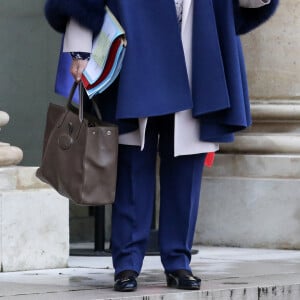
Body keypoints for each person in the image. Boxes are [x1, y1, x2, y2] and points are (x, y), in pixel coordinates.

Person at [44, 0, 279, 292]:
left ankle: (178, 261)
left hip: (194, 60)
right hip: (137, 58)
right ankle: (127, 263)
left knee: (186, 167)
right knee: (132, 164)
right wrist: (79, 51)